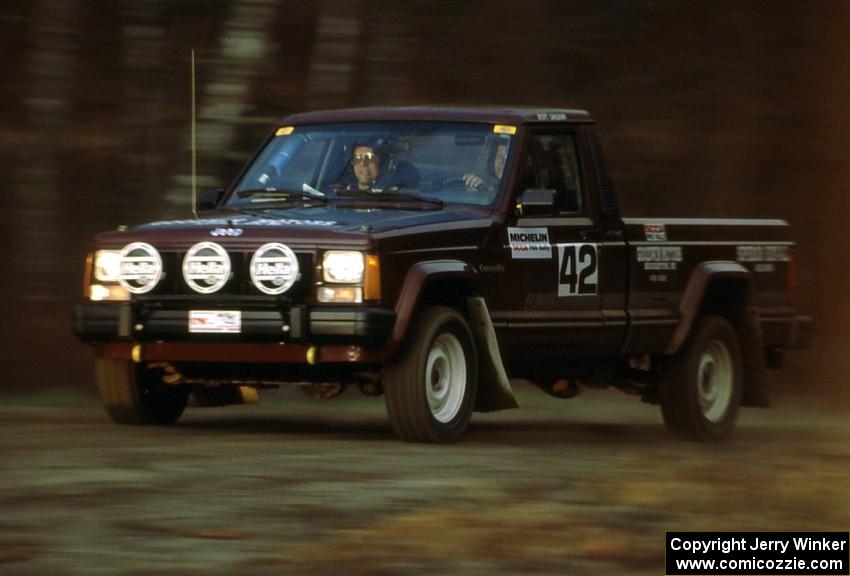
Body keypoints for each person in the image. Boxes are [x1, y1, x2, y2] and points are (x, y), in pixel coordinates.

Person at [340, 143, 419, 191]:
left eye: (370, 158)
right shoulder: (340, 194)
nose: (363, 164)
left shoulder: (395, 194)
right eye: (357, 159)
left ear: (381, 163)